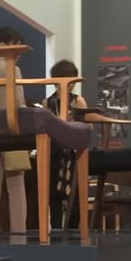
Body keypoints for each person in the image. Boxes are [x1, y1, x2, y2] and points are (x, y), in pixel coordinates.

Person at [0, 26, 29, 235]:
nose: (19, 53)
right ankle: (19, 231)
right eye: (15, 47)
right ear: (2, 45)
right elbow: (19, 104)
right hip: (10, 133)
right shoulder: (12, 69)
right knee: (16, 185)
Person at [43, 59, 87, 229]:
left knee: (74, 196)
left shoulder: (78, 101)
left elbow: (86, 128)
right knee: (53, 194)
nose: (71, 85)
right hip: (54, 153)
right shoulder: (48, 102)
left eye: (73, 81)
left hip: (73, 154)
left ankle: (75, 231)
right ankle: (55, 230)